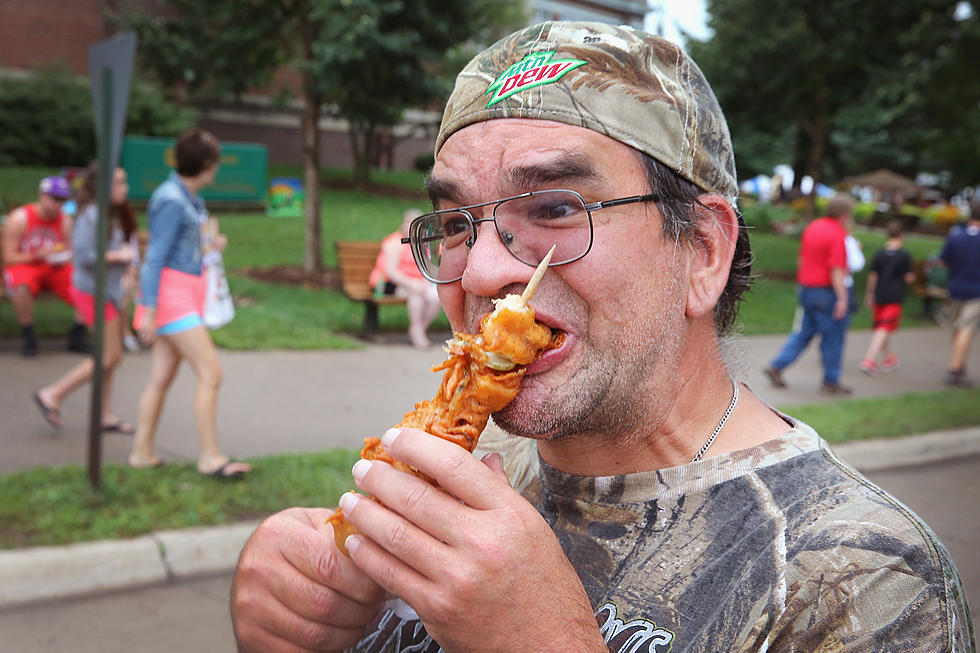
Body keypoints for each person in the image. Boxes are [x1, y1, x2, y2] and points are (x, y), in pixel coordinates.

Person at [230, 22, 973, 652]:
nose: (483, 269)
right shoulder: (470, 481)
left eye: (555, 206)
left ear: (704, 252)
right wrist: (307, 618)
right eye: (457, 223)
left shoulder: (861, 575)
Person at [128, 128, 250, 478]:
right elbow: (154, 258)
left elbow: (182, 251)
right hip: (172, 300)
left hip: (182, 295)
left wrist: (211, 247)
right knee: (211, 372)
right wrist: (149, 311)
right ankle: (210, 457)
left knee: (161, 377)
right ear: (207, 164)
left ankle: (141, 452)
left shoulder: (188, 198)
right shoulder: (171, 199)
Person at [32, 164, 138, 432]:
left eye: (124, 182)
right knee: (107, 357)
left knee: (113, 357)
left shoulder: (109, 213)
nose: (124, 188)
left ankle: (104, 415)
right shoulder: (92, 215)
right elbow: (83, 256)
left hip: (109, 292)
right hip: (93, 292)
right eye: (118, 183)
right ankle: (52, 394)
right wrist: (119, 256)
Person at [763, 194, 856, 395]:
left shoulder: (813, 227)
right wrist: (842, 298)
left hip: (808, 289)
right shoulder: (837, 234)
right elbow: (837, 269)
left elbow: (802, 259)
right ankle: (831, 381)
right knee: (833, 337)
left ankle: (777, 366)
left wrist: (802, 283)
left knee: (805, 332)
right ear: (845, 214)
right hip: (826, 293)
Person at [2, 176, 90, 356]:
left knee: (85, 284)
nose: (59, 205)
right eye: (55, 199)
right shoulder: (20, 218)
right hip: (25, 264)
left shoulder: (65, 221)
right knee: (21, 287)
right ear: (42, 196)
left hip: (54, 268)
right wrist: (36, 255)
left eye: (63, 201)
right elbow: (8, 257)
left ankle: (77, 336)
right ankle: (29, 337)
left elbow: (71, 252)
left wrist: (62, 256)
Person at [369, 208, 442, 348]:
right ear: (403, 224)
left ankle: (418, 329)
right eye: (409, 223)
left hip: (417, 283)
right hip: (388, 283)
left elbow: (428, 268)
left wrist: (426, 281)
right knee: (416, 294)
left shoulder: (421, 244)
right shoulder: (394, 243)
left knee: (434, 297)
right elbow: (391, 272)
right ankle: (416, 332)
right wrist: (412, 284)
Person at [859, 220, 914, 374]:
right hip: (894, 295)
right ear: (902, 235)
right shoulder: (905, 255)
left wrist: (869, 294)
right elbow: (908, 277)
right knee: (883, 327)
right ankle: (869, 359)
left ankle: (888, 358)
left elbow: (873, 276)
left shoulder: (880, 253)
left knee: (882, 326)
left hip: (879, 293)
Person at [938, 199, 980, 387]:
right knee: (966, 327)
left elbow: (942, 261)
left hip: (955, 287)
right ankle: (955, 369)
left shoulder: (956, 237)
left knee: (957, 327)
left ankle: (959, 364)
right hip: (976, 290)